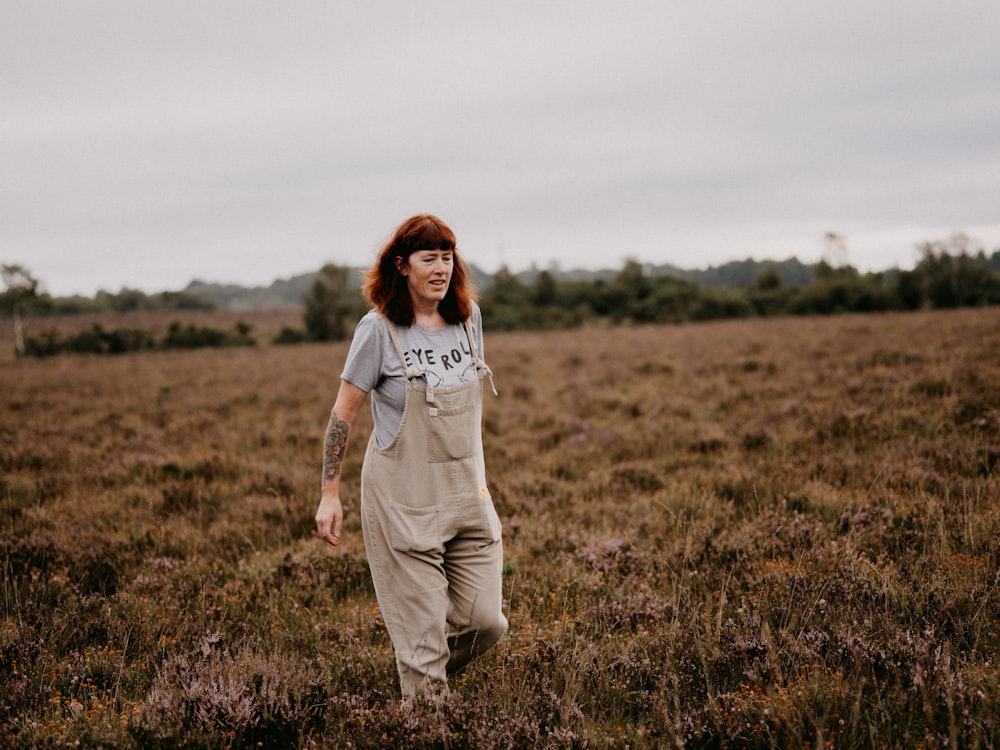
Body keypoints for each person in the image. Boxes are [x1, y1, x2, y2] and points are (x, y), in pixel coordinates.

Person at [315, 214, 507, 699]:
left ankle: (420, 672)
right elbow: (343, 413)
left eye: (447, 257)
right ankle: (423, 696)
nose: (441, 268)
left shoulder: (469, 320)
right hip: (404, 505)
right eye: (429, 258)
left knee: (487, 623)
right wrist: (329, 493)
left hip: (467, 499)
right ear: (402, 266)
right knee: (422, 650)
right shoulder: (378, 331)